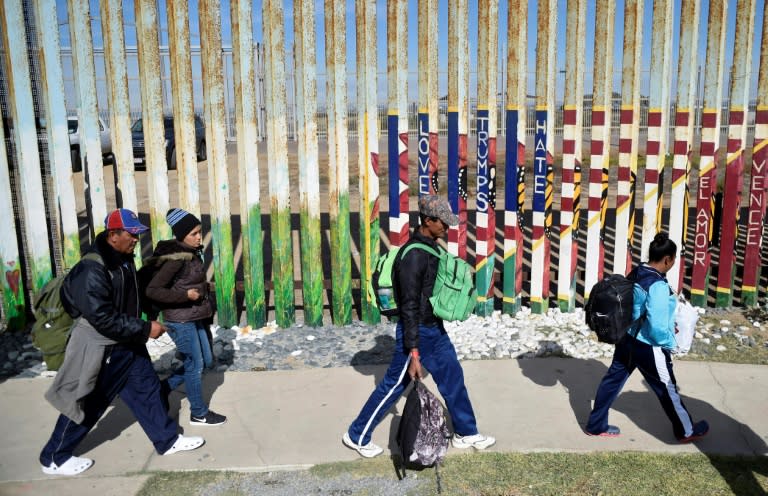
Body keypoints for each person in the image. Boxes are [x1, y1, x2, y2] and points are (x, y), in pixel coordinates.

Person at [39, 208, 204, 476]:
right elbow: (101, 317)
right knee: (88, 401)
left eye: (138, 235)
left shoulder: (123, 258)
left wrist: (147, 316)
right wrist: (144, 328)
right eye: (132, 234)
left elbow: (132, 296)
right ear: (113, 235)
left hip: (127, 341)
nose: (137, 240)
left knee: (148, 391)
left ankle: (168, 440)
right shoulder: (92, 268)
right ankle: (54, 457)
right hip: (104, 346)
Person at [342, 195, 496, 457]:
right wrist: (413, 351)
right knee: (393, 385)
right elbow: (409, 306)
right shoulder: (413, 256)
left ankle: (466, 432)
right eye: (443, 223)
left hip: (433, 330)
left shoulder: (432, 247)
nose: (447, 228)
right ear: (428, 221)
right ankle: (356, 434)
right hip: (415, 333)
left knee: (453, 378)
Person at [585, 232, 709, 442]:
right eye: (673, 260)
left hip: (627, 340)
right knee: (668, 388)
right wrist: (671, 344)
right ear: (667, 259)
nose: (673, 264)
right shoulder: (658, 286)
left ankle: (595, 425)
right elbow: (658, 326)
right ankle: (686, 431)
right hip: (649, 347)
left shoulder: (638, 271)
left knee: (612, 381)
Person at [145, 208, 226, 426]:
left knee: (206, 360)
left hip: (195, 316)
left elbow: (187, 280)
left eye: (200, 231)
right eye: (194, 233)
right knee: (195, 364)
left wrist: (203, 288)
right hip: (179, 320)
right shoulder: (176, 259)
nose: (199, 237)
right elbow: (153, 290)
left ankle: (162, 390)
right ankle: (198, 413)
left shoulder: (191, 253)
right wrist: (185, 295)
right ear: (181, 235)